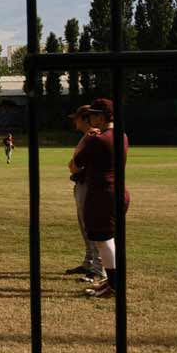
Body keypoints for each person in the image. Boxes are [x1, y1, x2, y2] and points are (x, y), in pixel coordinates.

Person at [70, 98, 130, 299]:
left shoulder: (97, 139)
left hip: (102, 194)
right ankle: (112, 282)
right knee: (110, 239)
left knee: (103, 241)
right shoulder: (122, 136)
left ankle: (114, 286)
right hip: (119, 191)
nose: (91, 118)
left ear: (102, 116)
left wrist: (87, 139)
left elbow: (74, 165)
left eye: (94, 114)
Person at [64, 106, 104, 282]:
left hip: (89, 185)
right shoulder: (88, 136)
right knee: (85, 227)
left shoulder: (94, 137)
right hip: (82, 183)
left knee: (93, 227)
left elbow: (75, 163)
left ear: (86, 119)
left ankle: (98, 268)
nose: (75, 121)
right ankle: (89, 262)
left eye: (77, 118)